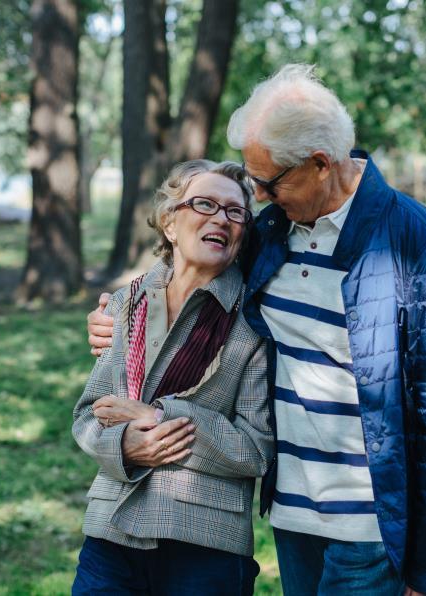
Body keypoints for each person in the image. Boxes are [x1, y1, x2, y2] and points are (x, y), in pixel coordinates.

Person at [88, 65, 426, 596]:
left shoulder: (422, 244)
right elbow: (187, 268)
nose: (259, 197)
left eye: (267, 183)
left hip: (369, 529)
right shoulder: (271, 233)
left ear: (321, 165)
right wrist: (117, 313)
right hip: (294, 518)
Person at [71, 159, 274, 595]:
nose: (221, 217)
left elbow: (256, 449)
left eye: (235, 212)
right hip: (110, 531)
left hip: (204, 543)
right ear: (169, 223)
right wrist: (125, 445)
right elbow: (90, 414)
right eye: (204, 204)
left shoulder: (254, 322)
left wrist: (160, 418)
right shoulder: (128, 303)